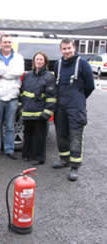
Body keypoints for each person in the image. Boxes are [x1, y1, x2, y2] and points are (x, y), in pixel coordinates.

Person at [52, 38, 95, 181]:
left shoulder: (82, 63)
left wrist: (79, 99)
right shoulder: (58, 64)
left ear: (74, 47)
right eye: (64, 49)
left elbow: (90, 86)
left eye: (69, 48)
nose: (67, 51)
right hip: (61, 106)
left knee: (75, 136)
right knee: (61, 133)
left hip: (76, 107)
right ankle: (64, 159)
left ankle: (74, 166)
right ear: (60, 50)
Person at [0, 34, 24, 160]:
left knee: (10, 126)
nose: (7, 44)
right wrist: (9, 71)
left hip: (12, 95)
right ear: (0, 43)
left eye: (9, 42)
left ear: (12, 44)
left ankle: (9, 150)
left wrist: (4, 72)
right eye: (4, 42)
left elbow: (18, 72)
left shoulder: (18, 57)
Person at [21, 51, 56, 165]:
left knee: (39, 136)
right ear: (33, 61)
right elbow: (23, 93)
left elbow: (51, 97)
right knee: (28, 134)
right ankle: (27, 155)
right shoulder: (27, 76)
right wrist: (22, 107)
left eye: (41, 59)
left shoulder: (49, 76)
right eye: (37, 59)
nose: (39, 61)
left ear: (45, 62)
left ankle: (38, 158)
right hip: (28, 112)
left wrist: (47, 112)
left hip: (40, 112)